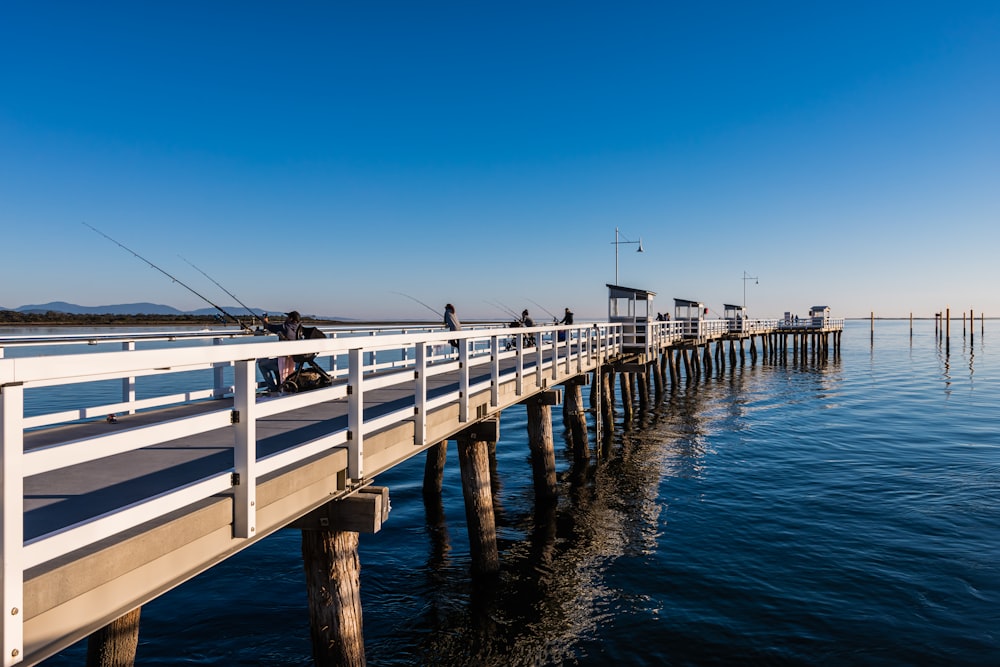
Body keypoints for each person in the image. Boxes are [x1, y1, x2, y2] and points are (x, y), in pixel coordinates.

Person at [257, 310, 302, 394]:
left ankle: (272, 388)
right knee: (275, 362)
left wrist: (264, 322)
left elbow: (269, 327)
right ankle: (279, 385)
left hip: (286, 362)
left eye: (287, 317)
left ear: (290, 318)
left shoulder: (284, 327)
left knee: (262, 364)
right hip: (295, 362)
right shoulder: (299, 329)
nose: (286, 318)